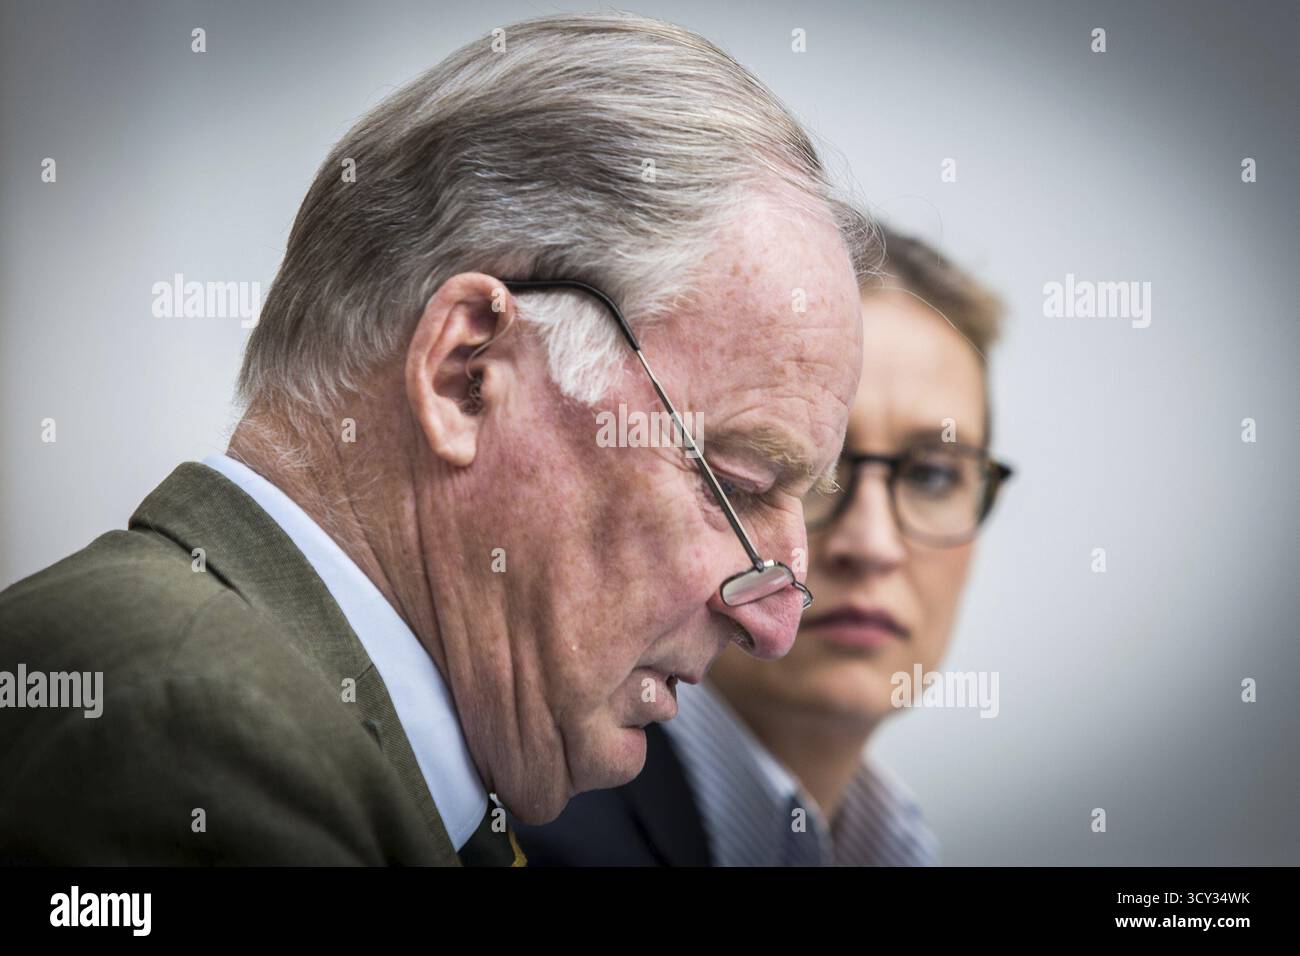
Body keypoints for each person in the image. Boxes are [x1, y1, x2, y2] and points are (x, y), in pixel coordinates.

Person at [0, 12, 870, 865]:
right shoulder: (192, 738)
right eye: (741, 483)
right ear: (467, 374)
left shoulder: (332, 741)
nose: (779, 621)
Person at [512, 227, 1013, 865]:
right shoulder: (533, 833)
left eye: (933, 474)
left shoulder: (896, 847)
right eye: (801, 471)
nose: (873, 544)